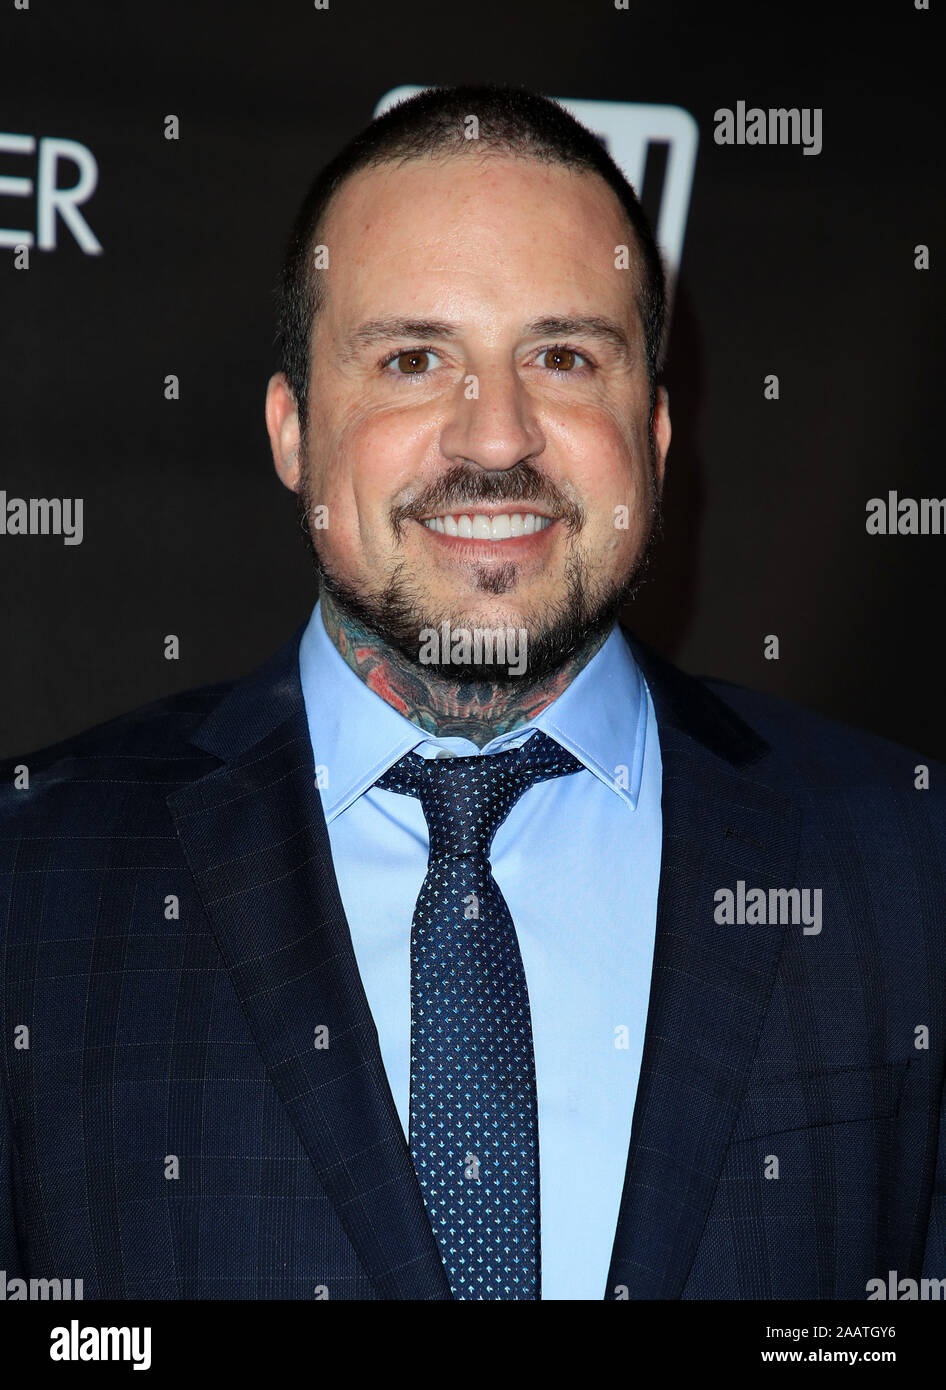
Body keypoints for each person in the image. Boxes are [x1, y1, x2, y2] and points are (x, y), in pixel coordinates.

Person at [1, 84, 943, 1302]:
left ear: (654, 437)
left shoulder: (904, 862)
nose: (494, 437)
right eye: (411, 358)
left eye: (561, 357)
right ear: (292, 430)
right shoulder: (35, 883)